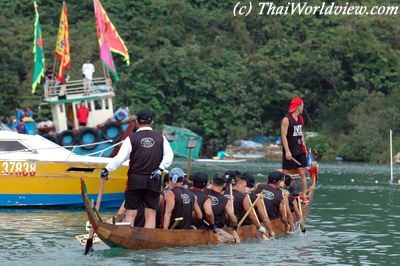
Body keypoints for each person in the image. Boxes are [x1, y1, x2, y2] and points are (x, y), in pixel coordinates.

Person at [101, 109, 174, 228]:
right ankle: (148, 241)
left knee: (130, 213)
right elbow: (169, 156)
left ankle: (129, 239)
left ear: (136, 122)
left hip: (135, 180)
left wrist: (107, 169)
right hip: (153, 179)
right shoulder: (161, 138)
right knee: (150, 214)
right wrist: (160, 169)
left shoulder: (131, 138)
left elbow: (120, 158)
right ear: (152, 122)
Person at [281, 97, 309, 204]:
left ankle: (303, 194)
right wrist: (287, 151)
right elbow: (283, 136)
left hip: (300, 150)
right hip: (290, 150)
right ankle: (286, 195)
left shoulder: (301, 119)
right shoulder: (286, 119)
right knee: (287, 173)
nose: (303, 108)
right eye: (302, 106)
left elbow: (301, 134)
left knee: (302, 172)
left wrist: (304, 147)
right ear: (297, 106)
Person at [242, 172, 275, 237]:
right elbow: (265, 218)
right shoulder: (256, 198)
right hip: (250, 228)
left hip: (235, 225)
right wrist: (271, 231)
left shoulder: (233, 194)